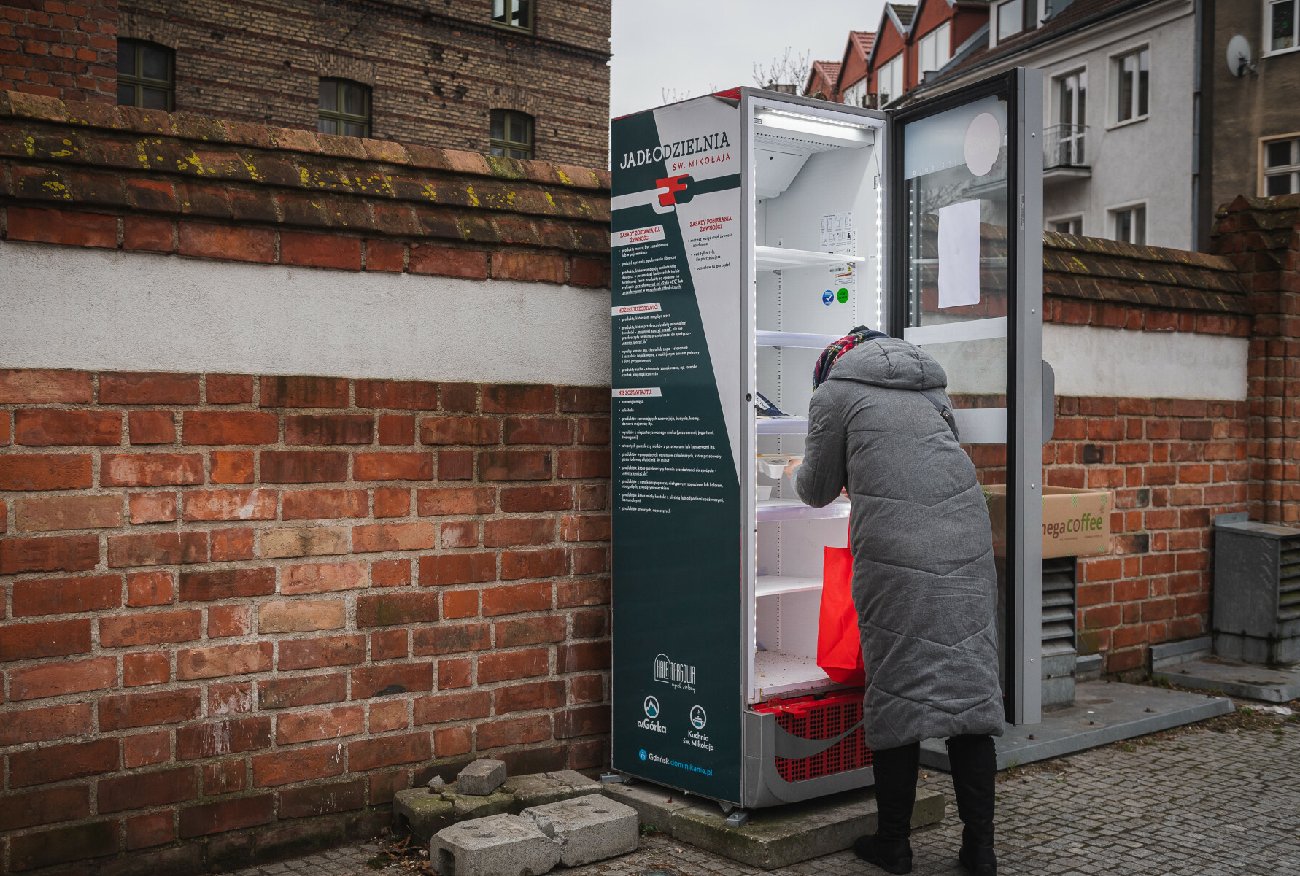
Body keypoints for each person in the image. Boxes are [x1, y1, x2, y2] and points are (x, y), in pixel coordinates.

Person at [795, 326, 1003, 876]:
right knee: (968, 695)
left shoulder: (834, 393)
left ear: (830, 365)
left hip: (896, 551)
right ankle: (980, 850)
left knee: (897, 690)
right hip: (967, 540)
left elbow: (815, 489)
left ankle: (894, 845)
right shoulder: (930, 388)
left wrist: (801, 470)